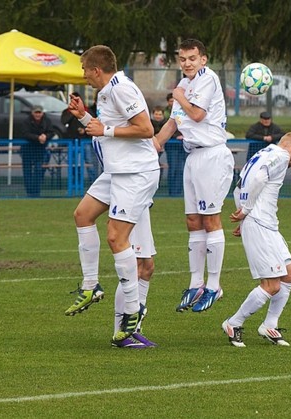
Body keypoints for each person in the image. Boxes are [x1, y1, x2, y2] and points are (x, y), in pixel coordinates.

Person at [63, 45, 160, 347]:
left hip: (136, 173)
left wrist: (104, 130)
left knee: (117, 238)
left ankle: (131, 311)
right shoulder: (106, 93)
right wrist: (84, 118)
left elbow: (145, 129)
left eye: (84, 70)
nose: (83, 76)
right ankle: (91, 285)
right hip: (117, 172)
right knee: (82, 215)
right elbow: (103, 129)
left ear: (96, 69)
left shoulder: (122, 88)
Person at [152, 39, 235, 313]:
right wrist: (155, 144)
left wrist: (179, 96)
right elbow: (174, 121)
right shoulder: (184, 85)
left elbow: (197, 115)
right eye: (182, 58)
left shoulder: (207, 79)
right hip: (193, 156)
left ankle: (214, 285)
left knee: (211, 219)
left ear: (203, 59)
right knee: (192, 220)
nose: (186, 63)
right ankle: (196, 283)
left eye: (192, 58)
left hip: (212, 154)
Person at [222, 132, 291, 347]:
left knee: (290, 274)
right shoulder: (281, 156)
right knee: (271, 285)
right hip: (260, 224)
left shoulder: (263, 153)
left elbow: (239, 187)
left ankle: (269, 325)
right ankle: (234, 323)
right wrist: (247, 212)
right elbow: (258, 180)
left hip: (265, 224)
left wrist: (243, 217)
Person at [61, 92, 99, 183]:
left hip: (85, 140)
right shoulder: (67, 111)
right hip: (72, 141)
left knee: (90, 162)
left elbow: (93, 123)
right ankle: (75, 182)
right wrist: (73, 113)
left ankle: (93, 182)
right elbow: (63, 121)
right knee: (73, 163)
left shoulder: (87, 110)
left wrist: (84, 130)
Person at [20, 105, 56, 197]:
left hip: (40, 149)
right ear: (32, 113)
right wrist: (38, 138)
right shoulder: (26, 121)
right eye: (36, 112)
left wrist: (45, 136)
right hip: (27, 149)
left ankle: (36, 192)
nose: (38, 114)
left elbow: (51, 132)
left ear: (42, 113)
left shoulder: (47, 121)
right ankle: (29, 192)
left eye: (39, 112)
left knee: (38, 170)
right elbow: (25, 133)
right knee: (27, 171)